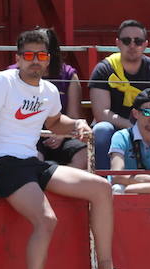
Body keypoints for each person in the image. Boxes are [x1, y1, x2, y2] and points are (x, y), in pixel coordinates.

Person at [0, 29, 137, 269]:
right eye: (29, 56)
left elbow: (55, 122)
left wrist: (78, 125)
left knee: (100, 189)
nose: (35, 62)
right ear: (18, 58)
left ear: (48, 60)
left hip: (31, 163)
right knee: (46, 220)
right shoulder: (2, 82)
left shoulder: (47, 90)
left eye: (41, 56)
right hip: (1, 165)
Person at [88, 20, 150, 165]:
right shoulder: (103, 70)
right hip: (118, 128)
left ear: (145, 44)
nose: (132, 45)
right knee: (101, 130)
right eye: (126, 41)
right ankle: (102, 183)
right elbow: (101, 113)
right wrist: (134, 129)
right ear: (118, 43)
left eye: (137, 41)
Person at [25, 28, 86, 170]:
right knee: (32, 159)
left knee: (83, 154)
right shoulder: (16, 75)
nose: (36, 59)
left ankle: (60, 183)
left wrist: (61, 135)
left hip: (61, 133)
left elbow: (73, 115)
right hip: (29, 134)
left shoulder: (68, 75)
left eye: (41, 53)